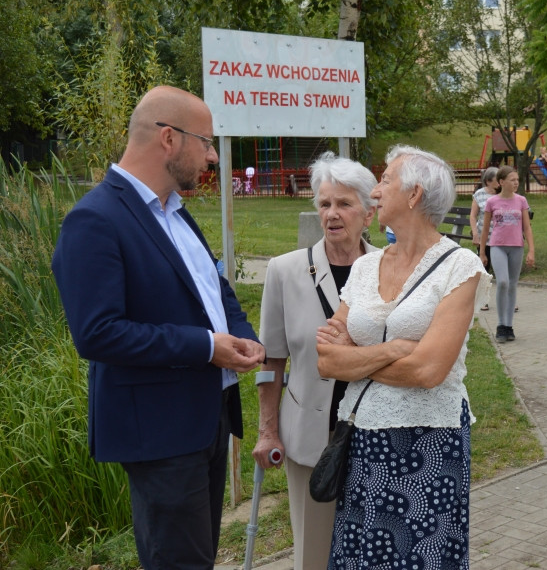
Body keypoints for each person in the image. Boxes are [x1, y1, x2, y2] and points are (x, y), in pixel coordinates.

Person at [51, 85, 265, 570]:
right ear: (169, 138)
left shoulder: (176, 212)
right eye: (206, 142)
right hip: (160, 431)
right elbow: (98, 333)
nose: (211, 157)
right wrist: (207, 346)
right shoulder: (94, 220)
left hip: (206, 418)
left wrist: (242, 332)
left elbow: (214, 287)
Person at [315, 144, 487, 570]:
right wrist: (393, 349)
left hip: (429, 444)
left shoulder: (459, 266)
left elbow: (429, 370)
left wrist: (356, 354)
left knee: (422, 557)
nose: (375, 190)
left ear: (414, 194)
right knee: (363, 557)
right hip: (363, 436)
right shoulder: (365, 268)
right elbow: (327, 362)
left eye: (386, 180)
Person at [252, 152, 377, 570]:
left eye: (344, 204)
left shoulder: (390, 271)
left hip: (379, 435)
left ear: (368, 214)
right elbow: (271, 360)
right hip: (311, 437)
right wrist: (267, 431)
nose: (332, 214)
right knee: (313, 552)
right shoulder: (285, 271)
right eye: (324, 204)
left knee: (376, 546)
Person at [479, 165, 535, 342]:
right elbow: (485, 228)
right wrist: (482, 252)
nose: (516, 183)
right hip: (497, 246)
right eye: (512, 180)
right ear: (501, 182)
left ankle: (508, 326)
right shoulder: (492, 202)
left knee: (512, 285)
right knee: (502, 282)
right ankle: (501, 324)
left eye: (517, 180)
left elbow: (527, 227)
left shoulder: (521, 201)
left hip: (516, 246)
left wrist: (531, 250)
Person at [470, 166, 499, 310]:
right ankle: (483, 300)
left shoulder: (503, 194)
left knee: (502, 271)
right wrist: (475, 233)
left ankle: (507, 300)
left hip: (500, 238)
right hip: (484, 238)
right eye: (497, 180)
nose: (500, 182)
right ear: (488, 181)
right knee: (484, 269)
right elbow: (473, 216)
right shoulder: (479, 195)